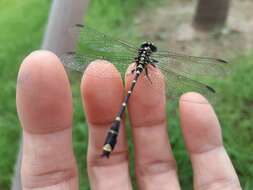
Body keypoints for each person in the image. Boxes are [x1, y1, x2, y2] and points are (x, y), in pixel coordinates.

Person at [16, 50, 241, 189]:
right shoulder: (149, 64)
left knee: (124, 104)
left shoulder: (139, 61)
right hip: (136, 85)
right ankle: (109, 144)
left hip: (132, 87)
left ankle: (108, 145)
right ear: (149, 53)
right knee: (125, 103)